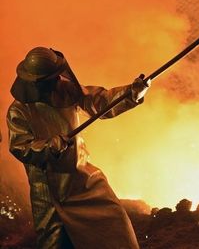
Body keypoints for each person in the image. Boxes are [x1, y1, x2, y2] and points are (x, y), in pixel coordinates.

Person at [7, 47, 149, 248]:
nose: (58, 81)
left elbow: (98, 102)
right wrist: (52, 145)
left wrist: (131, 94)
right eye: (52, 79)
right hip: (51, 192)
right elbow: (20, 147)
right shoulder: (19, 110)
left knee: (116, 228)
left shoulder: (66, 92)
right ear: (37, 82)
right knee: (56, 243)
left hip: (84, 179)